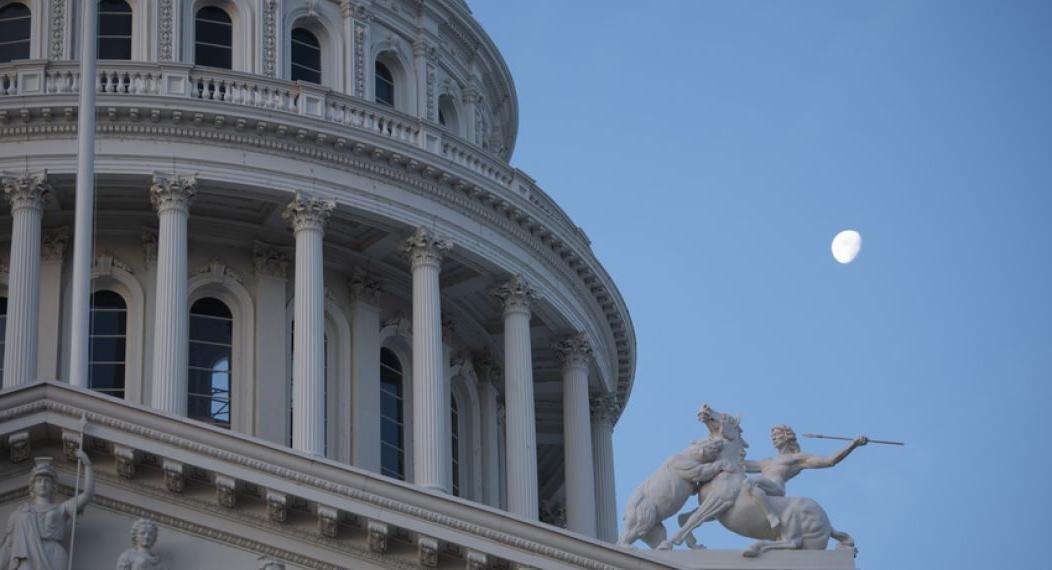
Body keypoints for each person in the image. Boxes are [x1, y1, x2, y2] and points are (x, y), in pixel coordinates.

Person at [743, 425, 866, 529]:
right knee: (747, 483)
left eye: (777, 434)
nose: (773, 438)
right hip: (759, 486)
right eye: (772, 436)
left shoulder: (797, 458)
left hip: (775, 487)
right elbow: (740, 465)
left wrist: (853, 444)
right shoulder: (766, 462)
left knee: (750, 481)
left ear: (786, 436)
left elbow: (829, 461)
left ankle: (771, 516)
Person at [0, 453, 95, 570]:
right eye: (39, 481)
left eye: (47, 481)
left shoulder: (61, 508)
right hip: (27, 555)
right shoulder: (21, 513)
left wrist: (88, 465)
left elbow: (87, 494)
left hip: (54, 554)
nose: (43, 484)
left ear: (53, 485)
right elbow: (9, 546)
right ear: (33, 486)